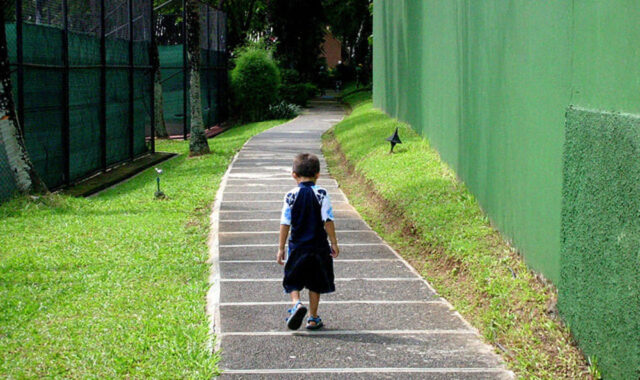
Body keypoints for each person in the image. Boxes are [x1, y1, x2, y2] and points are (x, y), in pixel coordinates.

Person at [276, 153, 340, 330]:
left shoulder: (290, 195)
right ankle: (313, 317)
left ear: (294, 175)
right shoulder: (321, 193)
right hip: (319, 246)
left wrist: (281, 247)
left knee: (292, 277)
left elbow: (285, 222)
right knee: (315, 281)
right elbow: (328, 220)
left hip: (297, 246)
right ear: (318, 174)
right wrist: (334, 243)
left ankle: (296, 303)